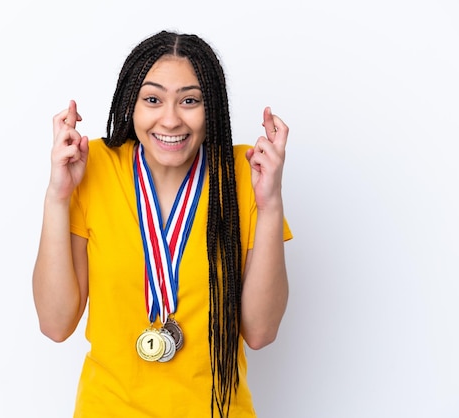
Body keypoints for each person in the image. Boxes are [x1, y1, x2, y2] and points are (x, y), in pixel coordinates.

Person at [32, 30, 293, 418]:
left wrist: (270, 204)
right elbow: (55, 324)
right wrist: (57, 195)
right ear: (130, 105)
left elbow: (259, 332)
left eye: (190, 101)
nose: (170, 120)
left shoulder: (244, 173)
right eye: (152, 99)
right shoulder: (94, 166)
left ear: (213, 108)